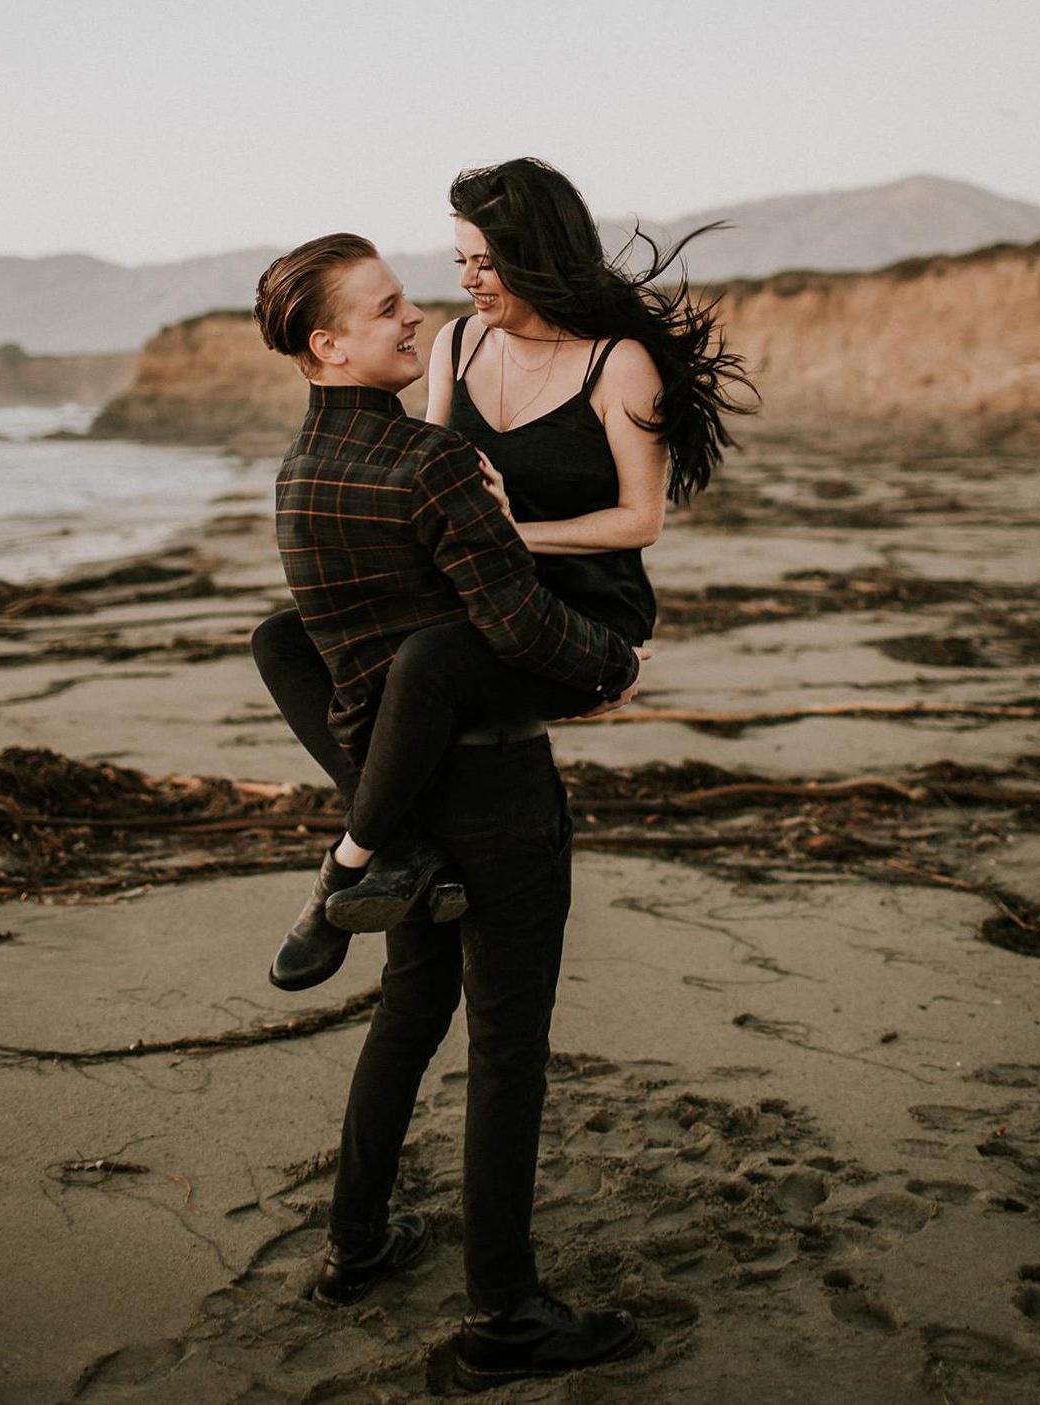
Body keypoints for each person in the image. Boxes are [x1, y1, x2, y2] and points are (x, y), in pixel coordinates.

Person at [251, 229, 648, 1388]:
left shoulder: (299, 472)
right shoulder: (429, 464)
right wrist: (612, 663)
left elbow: (332, 648)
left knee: (410, 1011)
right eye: (385, 309)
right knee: (508, 1049)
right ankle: (504, 1315)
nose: (416, 315)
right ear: (327, 343)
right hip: (496, 793)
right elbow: (516, 623)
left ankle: (356, 1243)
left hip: (410, 810)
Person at [253, 158, 752, 982]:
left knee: (428, 659)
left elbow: (641, 520)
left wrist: (515, 532)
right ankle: (404, 844)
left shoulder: (618, 363)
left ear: (536, 256)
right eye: (460, 260)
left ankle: (346, 864)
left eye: (485, 262)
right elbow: (430, 475)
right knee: (281, 636)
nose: (467, 280)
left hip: (580, 607)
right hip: (483, 590)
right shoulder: (457, 343)